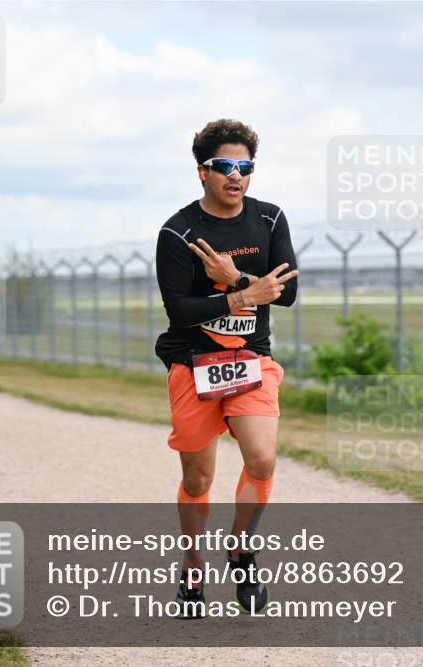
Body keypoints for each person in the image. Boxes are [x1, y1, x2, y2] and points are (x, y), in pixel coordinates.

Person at [155, 119, 299, 618]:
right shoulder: (178, 232)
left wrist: (234, 277)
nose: (236, 176)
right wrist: (242, 295)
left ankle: (241, 550)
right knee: (198, 480)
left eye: (246, 167)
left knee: (261, 458)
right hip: (192, 363)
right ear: (202, 172)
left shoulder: (270, 219)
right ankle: (193, 566)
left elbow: (289, 292)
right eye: (226, 167)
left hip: (251, 359)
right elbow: (180, 311)